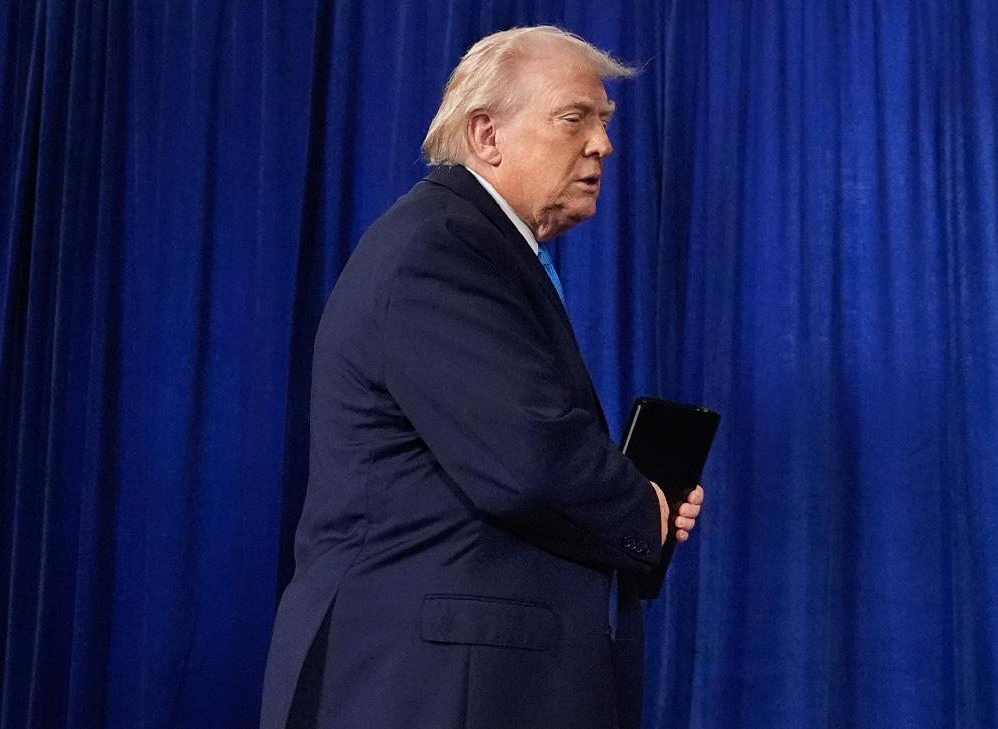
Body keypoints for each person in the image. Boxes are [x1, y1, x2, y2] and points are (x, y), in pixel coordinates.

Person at [259, 25, 705, 729]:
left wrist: (637, 501)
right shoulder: (441, 248)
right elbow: (528, 459)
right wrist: (641, 507)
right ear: (486, 135)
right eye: (575, 119)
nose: (602, 144)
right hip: (431, 688)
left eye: (605, 121)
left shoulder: (476, 246)